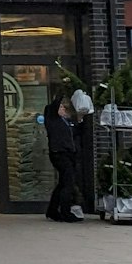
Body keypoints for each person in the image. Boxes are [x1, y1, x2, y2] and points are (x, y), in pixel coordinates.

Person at [43, 95, 86, 223]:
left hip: (67, 154)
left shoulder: (64, 121)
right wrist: (62, 91)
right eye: (61, 107)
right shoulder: (52, 119)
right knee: (68, 183)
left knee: (63, 183)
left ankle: (52, 210)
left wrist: (81, 120)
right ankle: (65, 212)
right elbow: (55, 104)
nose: (63, 109)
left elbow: (76, 132)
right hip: (59, 154)